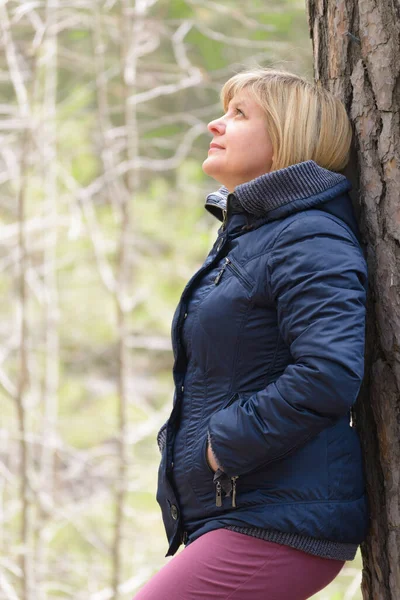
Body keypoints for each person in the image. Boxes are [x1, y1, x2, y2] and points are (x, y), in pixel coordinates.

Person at [134, 67, 370, 599]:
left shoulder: (309, 236)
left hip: (278, 521)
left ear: (287, 138)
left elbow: (328, 374)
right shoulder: (255, 236)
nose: (217, 124)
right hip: (239, 510)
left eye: (240, 114)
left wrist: (223, 444)